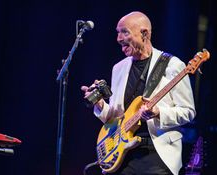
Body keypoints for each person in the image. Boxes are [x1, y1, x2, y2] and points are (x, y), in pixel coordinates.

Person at [81, 11, 195, 175]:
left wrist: (158, 113)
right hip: (123, 153)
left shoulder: (173, 65)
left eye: (124, 32)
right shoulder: (119, 68)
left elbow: (188, 111)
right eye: (118, 32)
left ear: (144, 34)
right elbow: (115, 117)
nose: (119, 38)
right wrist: (100, 105)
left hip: (156, 152)